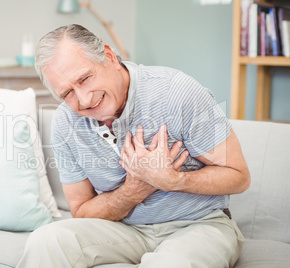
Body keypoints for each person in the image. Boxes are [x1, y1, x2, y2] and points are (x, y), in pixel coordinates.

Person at [18, 24, 250, 268]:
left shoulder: (177, 92)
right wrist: (133, 190)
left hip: (199, 224)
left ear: (109, 57)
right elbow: (82, 211)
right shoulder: (65, 121)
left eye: (85, 78)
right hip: (123, 231)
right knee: (46, 241)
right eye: (67, 93)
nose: (84, 99)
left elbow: (239, 176)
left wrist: (173, 181)